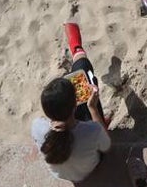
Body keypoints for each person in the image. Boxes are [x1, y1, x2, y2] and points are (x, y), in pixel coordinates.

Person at [31, 24, 111, 182]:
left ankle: (75, 45)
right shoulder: (92, 131)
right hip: (91, 169)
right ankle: (76, 48)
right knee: (83, 69)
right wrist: (92, 108)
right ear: (76, 105)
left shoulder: (37, 127)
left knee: (81, 76)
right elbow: (107, 147)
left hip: (63, 175)